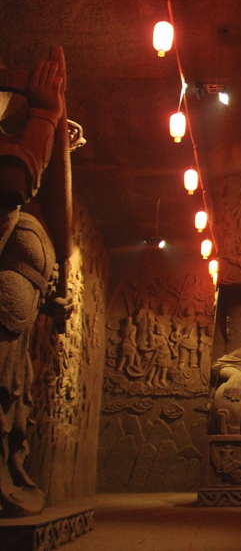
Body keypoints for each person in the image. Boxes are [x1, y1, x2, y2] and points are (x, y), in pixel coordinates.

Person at [0, 48, 70, 517]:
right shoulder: (12, 174)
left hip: (15, 332)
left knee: (14, 408)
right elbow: (13, 183)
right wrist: (44, 116)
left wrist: (46, 299)